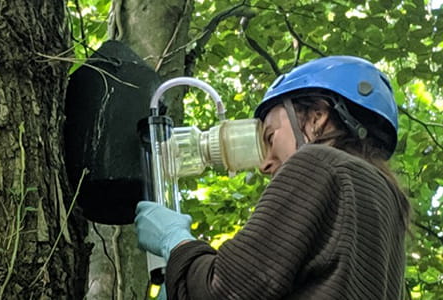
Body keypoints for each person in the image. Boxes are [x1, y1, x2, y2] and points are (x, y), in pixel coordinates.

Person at [135, 56, 409, 299]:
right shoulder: (389, 206)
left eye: (270, 136)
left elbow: (224, 289)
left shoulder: (319, 163)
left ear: (317, 118)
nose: (265, 165)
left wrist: (176, 242)